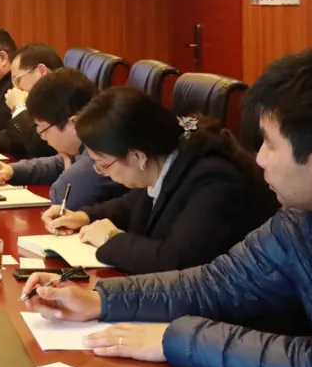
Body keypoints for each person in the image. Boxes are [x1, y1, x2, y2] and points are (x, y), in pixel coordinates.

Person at [20, 48, 312, 367]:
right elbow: (217, 282)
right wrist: (100, 299)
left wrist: (173, 339)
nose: (259, 159)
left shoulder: (220, 178)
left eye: (270, 145)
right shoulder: (301, 219)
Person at [38, 87, 278, 274]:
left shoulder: (214, 180)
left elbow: (175, 261)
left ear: (137, 156)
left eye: (103, 164)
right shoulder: (164, 159)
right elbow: (130, 205)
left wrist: (111, 238)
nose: (102, 172)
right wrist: (83, 217)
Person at [0, 68, 125, 209]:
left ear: (74, 123)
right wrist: (12, 171)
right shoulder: (89, 140)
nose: (43, 137)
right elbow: (58, 163)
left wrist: (67, 176)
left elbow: (62, 197)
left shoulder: (103, 150)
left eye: (44, 130)